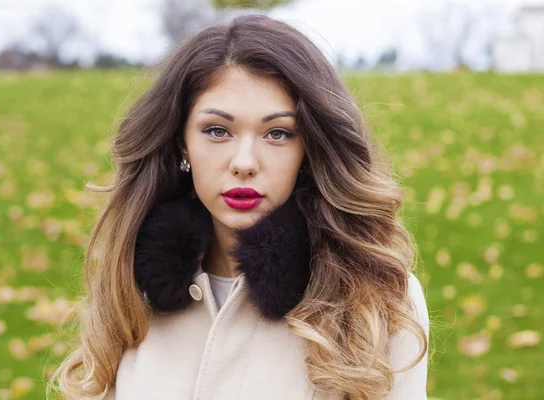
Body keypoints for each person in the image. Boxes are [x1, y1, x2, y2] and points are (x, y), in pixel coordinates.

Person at [49, 13, 430, 400]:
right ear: (182, 141)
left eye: (278, 133)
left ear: (310, 148)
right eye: (218, 131)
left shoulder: (376, 298)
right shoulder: (129, 290)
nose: (244, 162)